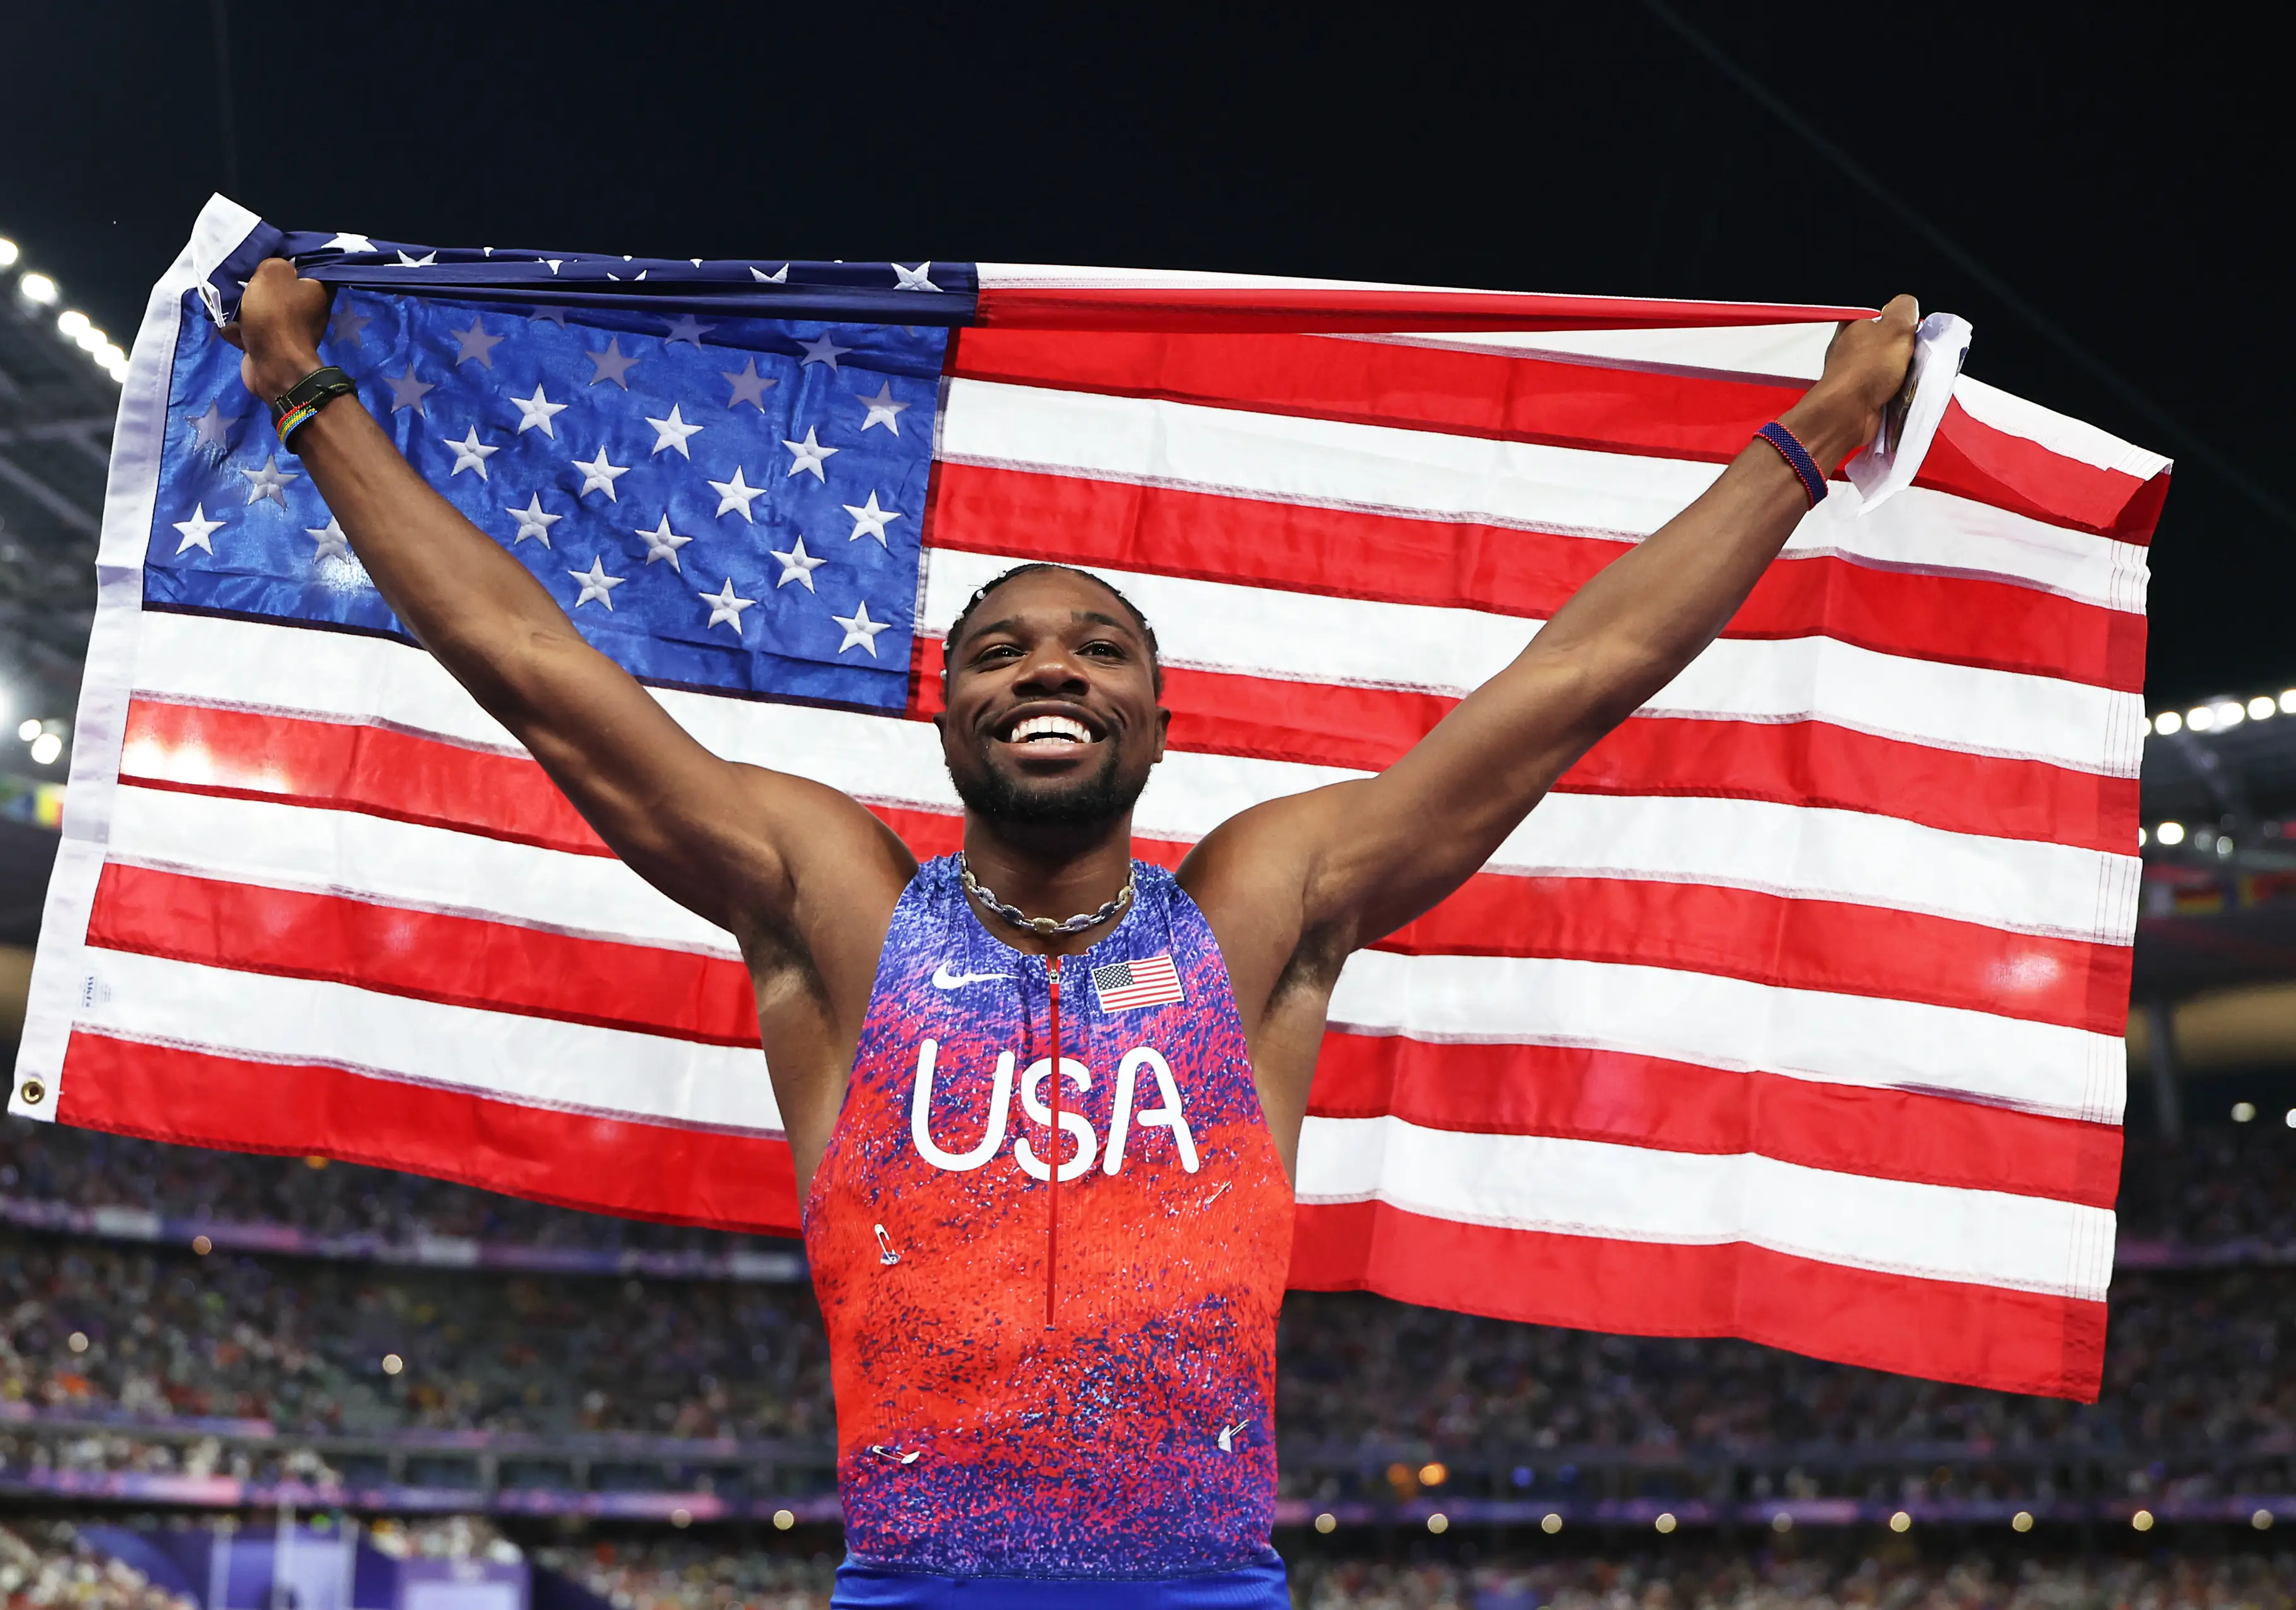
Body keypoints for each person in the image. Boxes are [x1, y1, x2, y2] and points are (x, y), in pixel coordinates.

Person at [227, 260, 1918, 1609]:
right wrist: (307, 397)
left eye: (1100, 647)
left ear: (1159, 726)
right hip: (916, 1587)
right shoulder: (837, 907)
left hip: (1204, 1587)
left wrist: (1813, 435)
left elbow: (1571, 684)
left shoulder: (1261, 908)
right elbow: (536, 667)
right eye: (1005, 648)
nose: (1052, 665)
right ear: (948, 714)